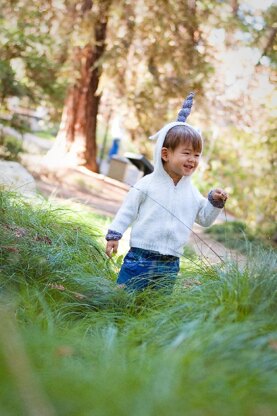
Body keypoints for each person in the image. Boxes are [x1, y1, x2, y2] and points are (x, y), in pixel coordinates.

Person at [105, 93, 228, 291]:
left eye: (197, 155)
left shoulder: (192, 192)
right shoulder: (147, 184)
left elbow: (204, 219)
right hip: (140, 257)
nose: (192, 159)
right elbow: (128, 210)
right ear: (165, 154)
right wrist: (114, 234)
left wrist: (214, 201)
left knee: (156, 304)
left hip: (170, 262)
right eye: (186, 153)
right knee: (125, 295)